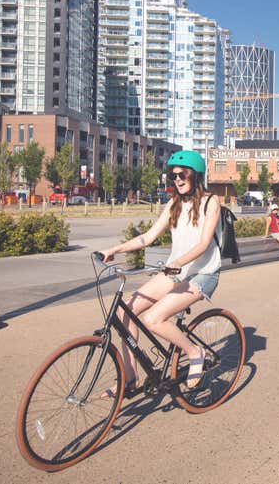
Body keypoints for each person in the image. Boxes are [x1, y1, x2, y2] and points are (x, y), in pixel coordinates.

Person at [98, 150, 221, 395]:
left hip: (202, 274)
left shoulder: (211, 201)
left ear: (195, 175)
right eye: (172, 175)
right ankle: (130, 376)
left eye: (182, 174)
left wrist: (178, 263)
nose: (177, 179)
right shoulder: (173, 204)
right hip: (175, 271)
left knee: (153, 319)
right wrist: (115, 249)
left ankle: (194, 352)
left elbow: (204, 244)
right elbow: (148, 237)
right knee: (126, 311)